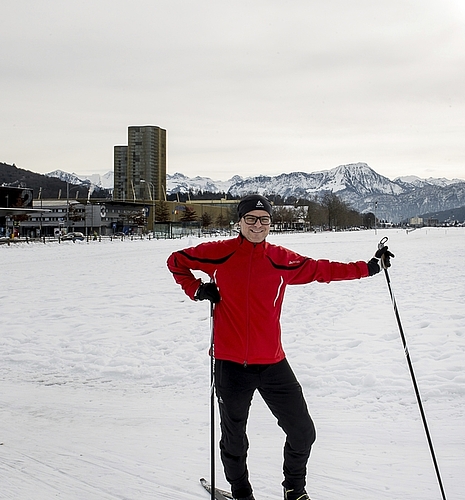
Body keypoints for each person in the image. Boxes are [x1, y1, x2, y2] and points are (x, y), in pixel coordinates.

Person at [167, 194, 393, 500]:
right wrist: (196, 289)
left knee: (303, 433)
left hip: (273, 363)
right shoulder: (218, 254)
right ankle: (242, 494)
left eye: (264, 219)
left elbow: (320, 269)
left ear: (270, 223)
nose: (258, 225)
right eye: (251, 218)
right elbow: (176, 261)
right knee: (234, 440)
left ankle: (294, 490)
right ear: (240, 222)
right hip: (230, 365)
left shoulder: (279, 258)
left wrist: (368, 268)